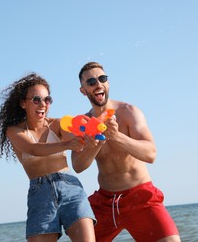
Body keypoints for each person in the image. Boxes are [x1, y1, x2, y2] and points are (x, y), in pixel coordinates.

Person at [71, 62, 180, 242]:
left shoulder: (129, 112)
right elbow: (78, 166)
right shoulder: (83, 124)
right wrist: (98, 140)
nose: (98, 84)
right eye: (91, 82)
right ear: (83, 90)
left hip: (141, 198)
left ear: (108, 83)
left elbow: (151, 153)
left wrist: (115, 136)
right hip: (106, 203)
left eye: (102, 79)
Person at [0, 73, 96, 242]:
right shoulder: (14, 130)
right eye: (36, 99)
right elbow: (33, 149)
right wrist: (67, 145)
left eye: (47, 100)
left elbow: (77, 137)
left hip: (71, 188)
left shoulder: (59, 124)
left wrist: (90, 136)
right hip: (40, 194)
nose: (43, 104)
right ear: (23, 103)